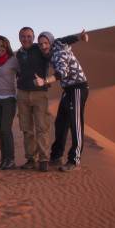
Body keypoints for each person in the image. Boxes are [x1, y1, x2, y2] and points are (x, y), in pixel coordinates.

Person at [35, 30, 89, 172]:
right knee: (61, 123)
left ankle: (74, 160)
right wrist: (79, 37)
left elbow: (62, 73)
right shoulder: (57, 45)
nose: (43, 46)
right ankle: (57, 157)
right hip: (68, 90)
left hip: (78, 87)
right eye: (40, 44)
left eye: (45, 43)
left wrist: (45, 81)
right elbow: (67, 39)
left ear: (50, 43)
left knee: (75, 123)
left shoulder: (58, 54)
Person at [15, 27, 51, 172]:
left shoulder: (40, 49)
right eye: (23, 36)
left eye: (29, 36)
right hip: (23, 93)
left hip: (39, 94)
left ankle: (44, 159)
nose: (26, 39)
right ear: (19, 38)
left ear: (33, 37)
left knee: (42, 127)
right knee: (26, 128)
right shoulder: (19, 54)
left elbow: (51, 52)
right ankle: (31, 158)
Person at [0, 35, 20, 170]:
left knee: (5, 129)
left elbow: (22, 73)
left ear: (7, 46)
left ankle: (11, 159)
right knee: (0, 130)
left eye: (2, 46)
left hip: (9, 98)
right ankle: (4, 159)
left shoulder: (13, 60)